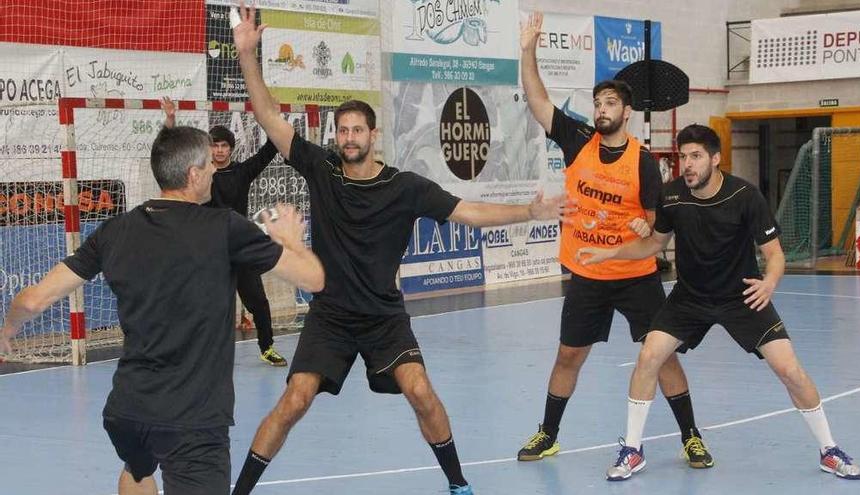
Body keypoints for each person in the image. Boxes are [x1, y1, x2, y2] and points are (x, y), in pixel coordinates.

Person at [228, 4, 574, 495]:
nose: (348, 138)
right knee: (294, 400)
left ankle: (458, 484)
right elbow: (268, 115)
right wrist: (247, 55)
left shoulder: (404, 187)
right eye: (341, 131)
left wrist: (528, 212)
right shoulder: (321, 169)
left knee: (420, 392)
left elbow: (468, 211)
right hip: (330, 316)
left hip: (383, 317)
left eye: (357, 131)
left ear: (373, 136)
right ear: (336, 137)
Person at [0, 126, 325, 495]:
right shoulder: (224, 227)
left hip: (128, 412)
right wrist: (292, 241)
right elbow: (313, 279)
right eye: (209, 165)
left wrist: (8, 329)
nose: (216, 171)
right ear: (193, 175)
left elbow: (31, 301)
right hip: (194, 420)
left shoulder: (115, 230)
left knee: (138, 469)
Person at [578, 124, 860, 481]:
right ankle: (633, 450)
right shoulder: (672, 196)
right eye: (683, 157)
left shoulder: (745, 196)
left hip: (741, 296)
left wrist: (769, 283)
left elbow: (774, 254)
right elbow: (652, 245)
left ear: (716, 159)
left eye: (696, 156)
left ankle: (829, 449)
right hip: (689, 297)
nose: (688, 165)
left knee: (789, 370)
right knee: (649, 356)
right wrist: (608, 254)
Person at [515, 12, 712, 469]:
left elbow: (652, 224)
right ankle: (549, 434)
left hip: (634, 276)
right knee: (568, 355)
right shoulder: (576, 139)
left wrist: (646, 228)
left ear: (625, 112)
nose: (601, 108)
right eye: (598, 101)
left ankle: (691, 437)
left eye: (610, 103)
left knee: (660, 356)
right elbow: (537, 98)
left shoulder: (643, 162)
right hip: (586, 272)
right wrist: (528, 50)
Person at [162, 97, 288, 367]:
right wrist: (170, 122)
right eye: (215, 146)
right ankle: (196, 352)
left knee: (259, 303)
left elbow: (269, 150)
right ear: (208, 150)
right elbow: (170, 153)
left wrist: (273, 118)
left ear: (230, 149)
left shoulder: (242, 172)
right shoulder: (197, 176)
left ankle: (267, 347)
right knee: (203, 305)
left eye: (224, 146)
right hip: (209, 250)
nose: (219, 151)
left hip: (239, 249)